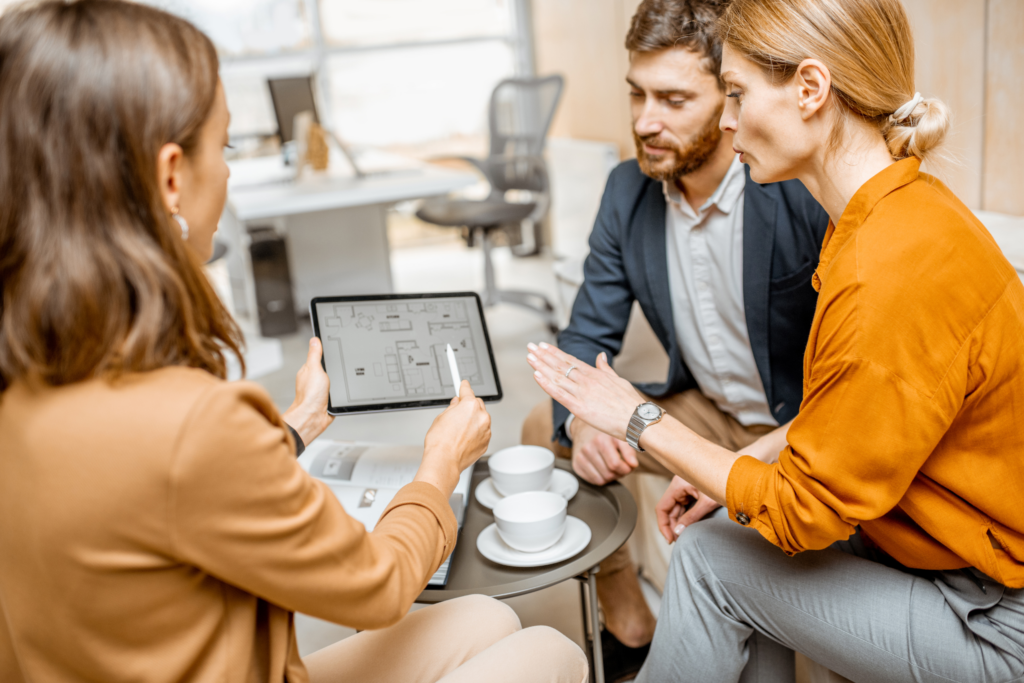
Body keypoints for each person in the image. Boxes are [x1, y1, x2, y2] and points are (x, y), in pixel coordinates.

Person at [0, 3, 588, 682]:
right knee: (556, 652)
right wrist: (440, 462)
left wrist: (300, 424)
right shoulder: (193, 422)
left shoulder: (33, 380)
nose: (223, 173)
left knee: (488, 617)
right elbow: (375, 586)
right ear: (170, 177)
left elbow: (158, 489)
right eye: (220, 149)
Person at [527, 0, 1024, 679]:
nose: (728, 122)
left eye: (734, 94)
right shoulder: (897, 213)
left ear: (812, 90)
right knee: (725, 542)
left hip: (992, 611)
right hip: (936, 550)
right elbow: (848, 413)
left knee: (710, 558)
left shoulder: (884, 264)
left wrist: (638, 418)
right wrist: (735, 460)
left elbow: (802, 512)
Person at [520, 0, 827, 675]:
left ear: (729, 101)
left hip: (799, 428)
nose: (643, 120)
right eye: (636, 93)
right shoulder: (626, 190)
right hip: (707, 411)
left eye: (672, 98)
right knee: (543, 419)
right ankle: (629, 619)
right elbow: (583, 336)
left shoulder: (793, 188)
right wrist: (586, 422)